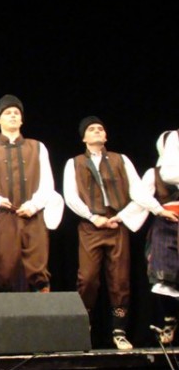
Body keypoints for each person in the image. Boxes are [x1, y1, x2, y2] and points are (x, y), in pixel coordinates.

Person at [63, 116, 177, 350]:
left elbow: (137, 190)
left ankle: (119, 331)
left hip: (116, 224)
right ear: (84, 138)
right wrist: (93, 217)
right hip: (91, 226)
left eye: (100, 128)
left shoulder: (121, 160)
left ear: (106, 136)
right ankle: (85, 324)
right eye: (92, 129)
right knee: (88, 279)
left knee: (120, 279)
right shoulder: (74, 163)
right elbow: (71, 196)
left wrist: (152, 211)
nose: (97, 131)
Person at [0, 94, 63, 293]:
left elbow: (47, 183)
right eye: (8, 113)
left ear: (22, 119)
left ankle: (43, 306)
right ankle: (1, 309)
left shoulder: (37, 147)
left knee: (38, 268)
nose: (13, 116)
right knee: (4, 267)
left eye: (16, 113)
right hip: (5, 215)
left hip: (33, 215)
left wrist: (33, 205)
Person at [142, 131, 179, 345]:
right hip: (166, 226)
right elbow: (139, 195)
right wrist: (159, 210)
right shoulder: (155, 173)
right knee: (164, 276)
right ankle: (169, 319)